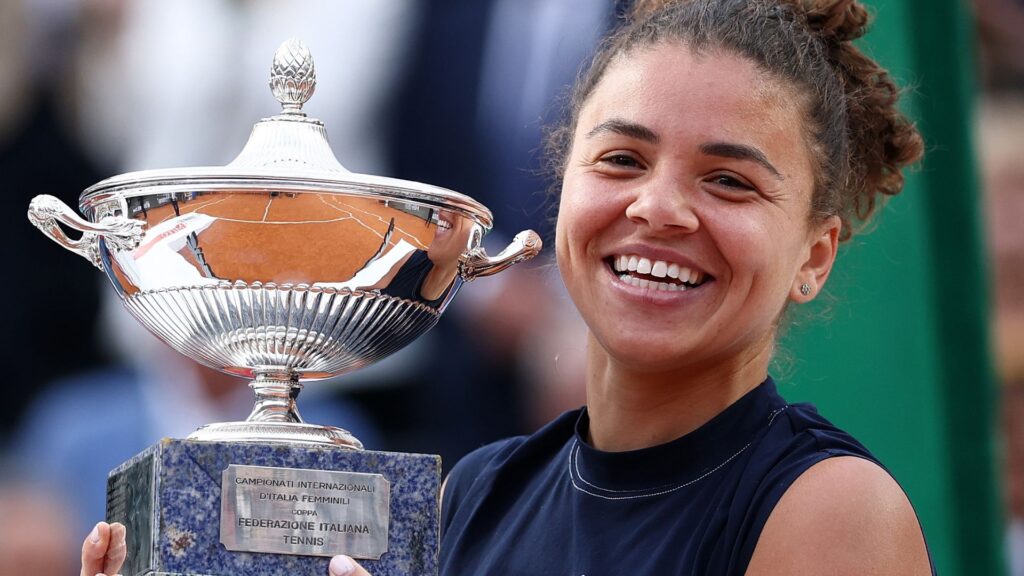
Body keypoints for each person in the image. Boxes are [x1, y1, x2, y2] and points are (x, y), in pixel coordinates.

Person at [80, 0, 934, 574]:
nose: (659, 207)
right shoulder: (476, 493)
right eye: (622, 160)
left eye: (730, 182)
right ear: (562, 188)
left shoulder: (835, 511)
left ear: (816, 255)